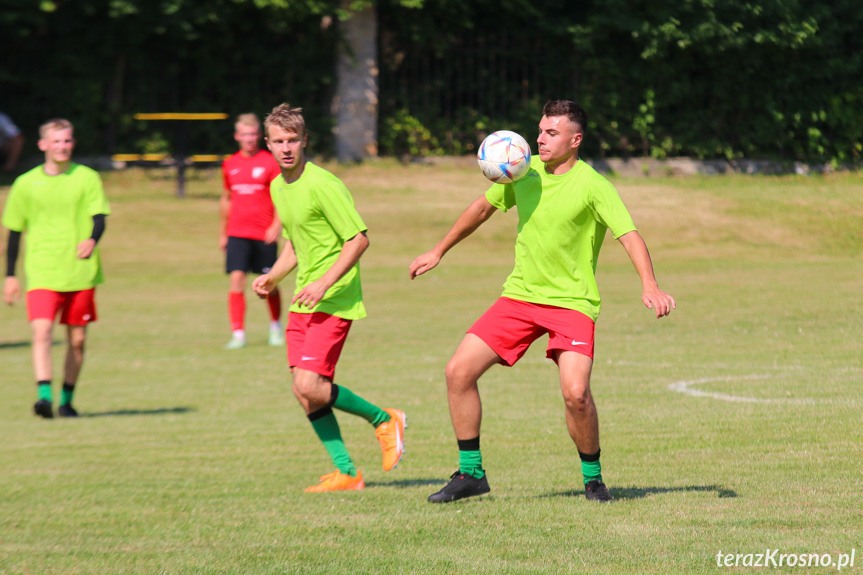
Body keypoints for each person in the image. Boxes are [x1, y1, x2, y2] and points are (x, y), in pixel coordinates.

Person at [410, 100, 676, 503]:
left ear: (576, 139)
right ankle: (470, 474)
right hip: (519, 297)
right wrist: (438, 250)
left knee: (576, 394)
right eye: (540, 131)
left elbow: (629, 235)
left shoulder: (594, 186)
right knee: (457, 372)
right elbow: (482, 208)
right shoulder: (521, 168)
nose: (539, 139)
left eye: (551, 133)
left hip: (572, 303)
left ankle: (593, 480)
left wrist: (650, 284)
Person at [252, 103, 406, 492]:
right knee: (304, 392)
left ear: (305, 141)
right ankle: (347, 472)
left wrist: (323, 283)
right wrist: (273, 277)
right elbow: (295, 243)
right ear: (267, 145)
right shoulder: (278, 186)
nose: (286, 148)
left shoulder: (324, 184)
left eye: (293, 140)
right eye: (279, 141)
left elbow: (358, 239)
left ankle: (384, 419)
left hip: (333, 299)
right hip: (304, 300)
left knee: (310, 386)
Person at [2, 118, 110, 419]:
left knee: (77, 341)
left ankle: (66, 400)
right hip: (42, 272)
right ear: (43, 145)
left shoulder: (87, 178)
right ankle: (44, 397)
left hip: (80, 272)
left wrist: (92, 239)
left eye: (67, 141)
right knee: (42, 332)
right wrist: (10, 275)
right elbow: (14, 232)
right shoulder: (25, 183)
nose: (62, 146)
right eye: (56, 141)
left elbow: (99, 216)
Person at [220, 113, 284, 350]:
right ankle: (238, 334)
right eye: (244, 134)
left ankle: (276, 327)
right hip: (237, 232)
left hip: (263, 233)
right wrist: (223, 232)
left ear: (260, 136)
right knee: (236, 280)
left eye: (253, 134)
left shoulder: (269, 162)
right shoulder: (230, 163)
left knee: (269, 284)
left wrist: (277, 224)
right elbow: (226, 198)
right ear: (237, 136)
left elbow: (280, 196)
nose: (249, 138)